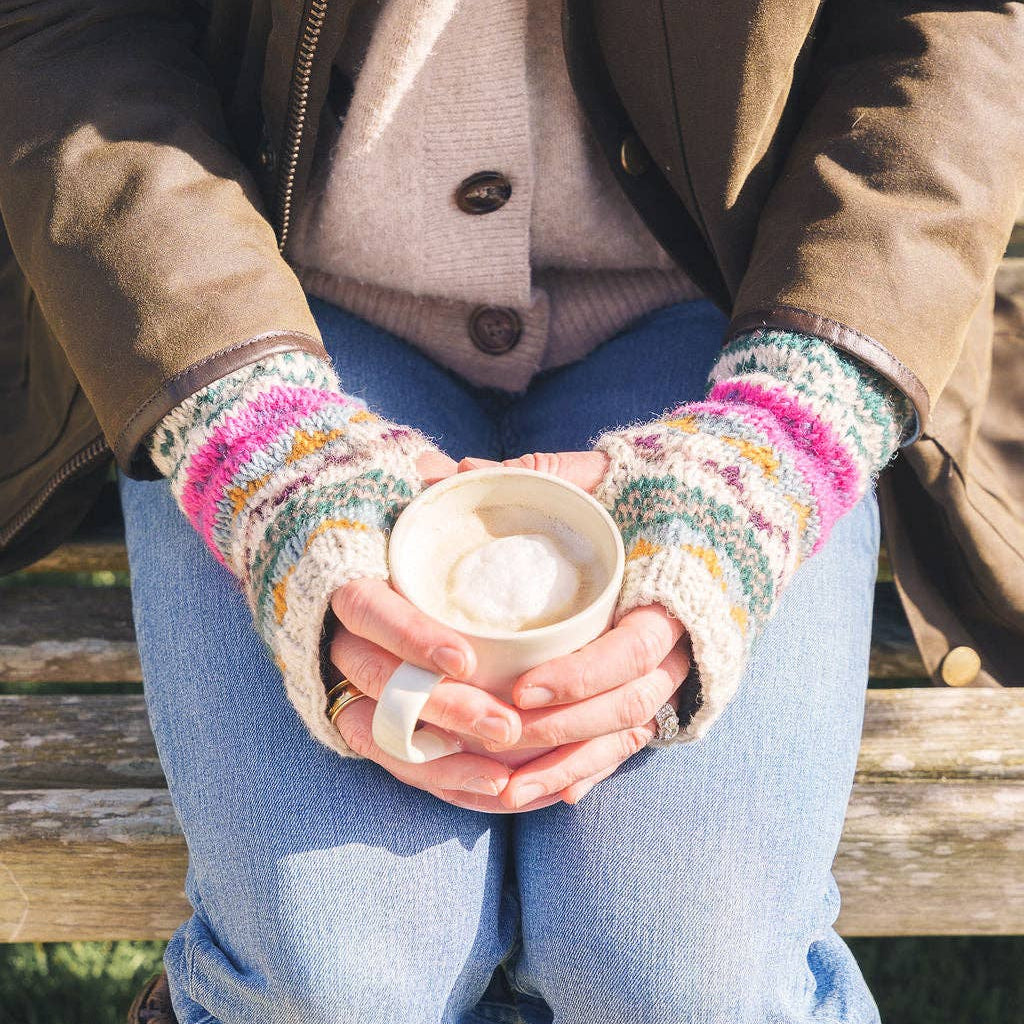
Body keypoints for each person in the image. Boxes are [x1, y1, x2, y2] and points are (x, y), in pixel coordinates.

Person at [1, 2, 1021, 1023]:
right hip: (254, 297)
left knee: (686, 982)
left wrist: (778, 435)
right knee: (333, 981)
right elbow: (66, 29)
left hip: (735, 301)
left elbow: (962, 39)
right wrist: (260, 442)